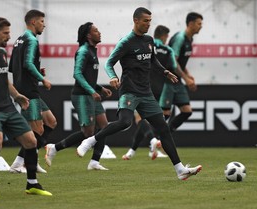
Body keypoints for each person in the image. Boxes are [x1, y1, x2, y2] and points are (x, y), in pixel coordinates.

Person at [76, 7, 202, 180]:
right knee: (125, 122)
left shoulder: (149, 40)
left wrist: (165, 72)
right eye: (145, 21)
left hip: (146, 93)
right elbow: (109, 62)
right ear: (135, 20)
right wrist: (113, 77)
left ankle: (180, 170)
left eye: (150, 21)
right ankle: (90, 141)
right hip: (129, 91)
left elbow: (153, 61)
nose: (148, 24)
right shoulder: (126, 42)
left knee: (163, 129)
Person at [0, 17, 52, 196]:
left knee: (31, 141)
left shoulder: (2, 54)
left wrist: (17, 96)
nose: (9, 36)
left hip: (8, 107)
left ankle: (32, 185)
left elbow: (4, 81)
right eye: (6, 33)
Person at [44, 22, 112, 170]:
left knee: (105, 126)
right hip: (82, 96)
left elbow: (88, 77)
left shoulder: (93, 51)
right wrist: (92, 91)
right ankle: (54, 148)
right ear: (88, 35)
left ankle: (94, 162)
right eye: (96, 30)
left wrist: (100, 88)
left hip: (90, 93)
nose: (99, 32)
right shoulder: (83, 51)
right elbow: (77, 74)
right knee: (88, 132)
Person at [9, 9, 57, 174]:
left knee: (51, 122)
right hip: (28, 90)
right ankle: (19, 164)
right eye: (42, 21)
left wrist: (37, 71)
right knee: (37, 130)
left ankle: (31, 160)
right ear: (34, 22)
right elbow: (28, 64)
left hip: (26, 87)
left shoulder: (19, 40)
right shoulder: (31, 40)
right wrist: (42, 79)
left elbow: (14, 67)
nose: (44, 25)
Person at [122, 25, 175, 160]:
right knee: (151, 120)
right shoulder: (167, 50)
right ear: (163, 36)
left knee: (140, 119)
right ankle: (141, 149)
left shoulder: (145, 45)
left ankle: (151, 142)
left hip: (143, 86)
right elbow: (172, 66)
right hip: (159, 87)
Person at [160, 12, 203, 133]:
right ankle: (152, 139)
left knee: (186, 111)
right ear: (191, 24)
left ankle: (162, 139)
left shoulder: (190, 39)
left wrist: (188, 75)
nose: (201, 26)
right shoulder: (180, 38)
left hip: (177, 80)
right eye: (199, 23)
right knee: (165, 114)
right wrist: (186, 79)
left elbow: (180, 63)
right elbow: (173, 61)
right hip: (168, 79)